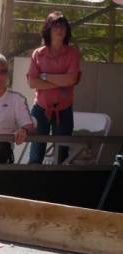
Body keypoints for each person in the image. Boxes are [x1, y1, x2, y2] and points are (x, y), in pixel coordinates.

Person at [27, 11, 81, 164]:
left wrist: (44, 76)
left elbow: (71, 79)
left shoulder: (73, 54)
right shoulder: (38, 54)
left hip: (64, 109)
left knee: (62, 156)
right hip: (40, 108)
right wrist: (61, 81)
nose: (60, 30)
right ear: (48, 30)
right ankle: (31, 184)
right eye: (55, 26)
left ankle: (58, 186)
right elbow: (32, 83)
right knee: (36, 155)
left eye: (63, 26)